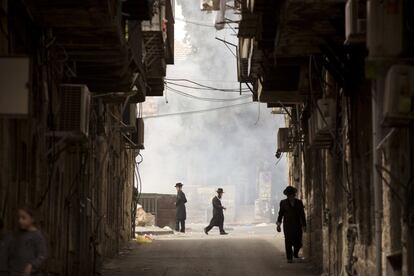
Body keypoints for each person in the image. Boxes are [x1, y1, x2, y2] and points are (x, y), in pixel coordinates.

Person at [9, 207, 48, 276]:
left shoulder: (37, 235)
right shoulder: (18, 234)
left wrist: (32, 265)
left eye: (23, 218)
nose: (20, 221)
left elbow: (42, 255)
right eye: (19, 218)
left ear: (32, 219)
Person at [276, 186, 306, 263]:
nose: (291, 196)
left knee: (298, 241)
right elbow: (280, 214)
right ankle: (289, 257)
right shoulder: (283, 203)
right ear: (287, 195)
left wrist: (304, 225)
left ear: (294, 195)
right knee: (288, 240)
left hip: (297, 225)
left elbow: (302, 214)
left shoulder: (299, 203)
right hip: (287, 225)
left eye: (292, 195)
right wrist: (278, 224)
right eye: (289, 195)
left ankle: (295, 253)